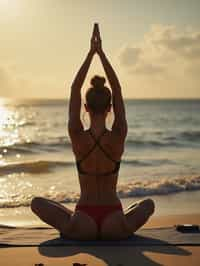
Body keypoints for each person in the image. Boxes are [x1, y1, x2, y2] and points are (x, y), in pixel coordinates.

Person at [31, 24, 155, 240]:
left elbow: (74, 89)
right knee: (148, 204)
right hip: (114, 222)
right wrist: (102, 54)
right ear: (110, 109)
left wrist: (91, 54)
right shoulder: (118, 134)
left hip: (83, 223)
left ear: (85, 108)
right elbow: (117, 89)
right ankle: (118, 225)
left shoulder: (77, 135)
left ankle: (72, 221)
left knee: (36, 203)